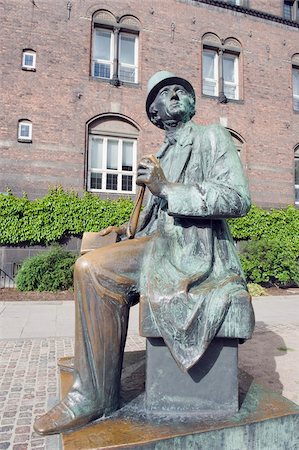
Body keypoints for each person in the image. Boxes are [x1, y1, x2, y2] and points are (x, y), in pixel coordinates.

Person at [34, 71, 254, 435]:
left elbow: (237, 198)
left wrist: (167, 187)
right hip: (156, 246)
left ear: (192, 103)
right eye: (165, 93)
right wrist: (123, 231)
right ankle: (96, 394)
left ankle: (91, 397)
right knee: (90, 267)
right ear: (153, 112)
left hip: (192, 251)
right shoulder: (159, 154)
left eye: (181, 91)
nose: (176, 96)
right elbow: (151, 220)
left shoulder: (211, 137)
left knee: (91, 269)